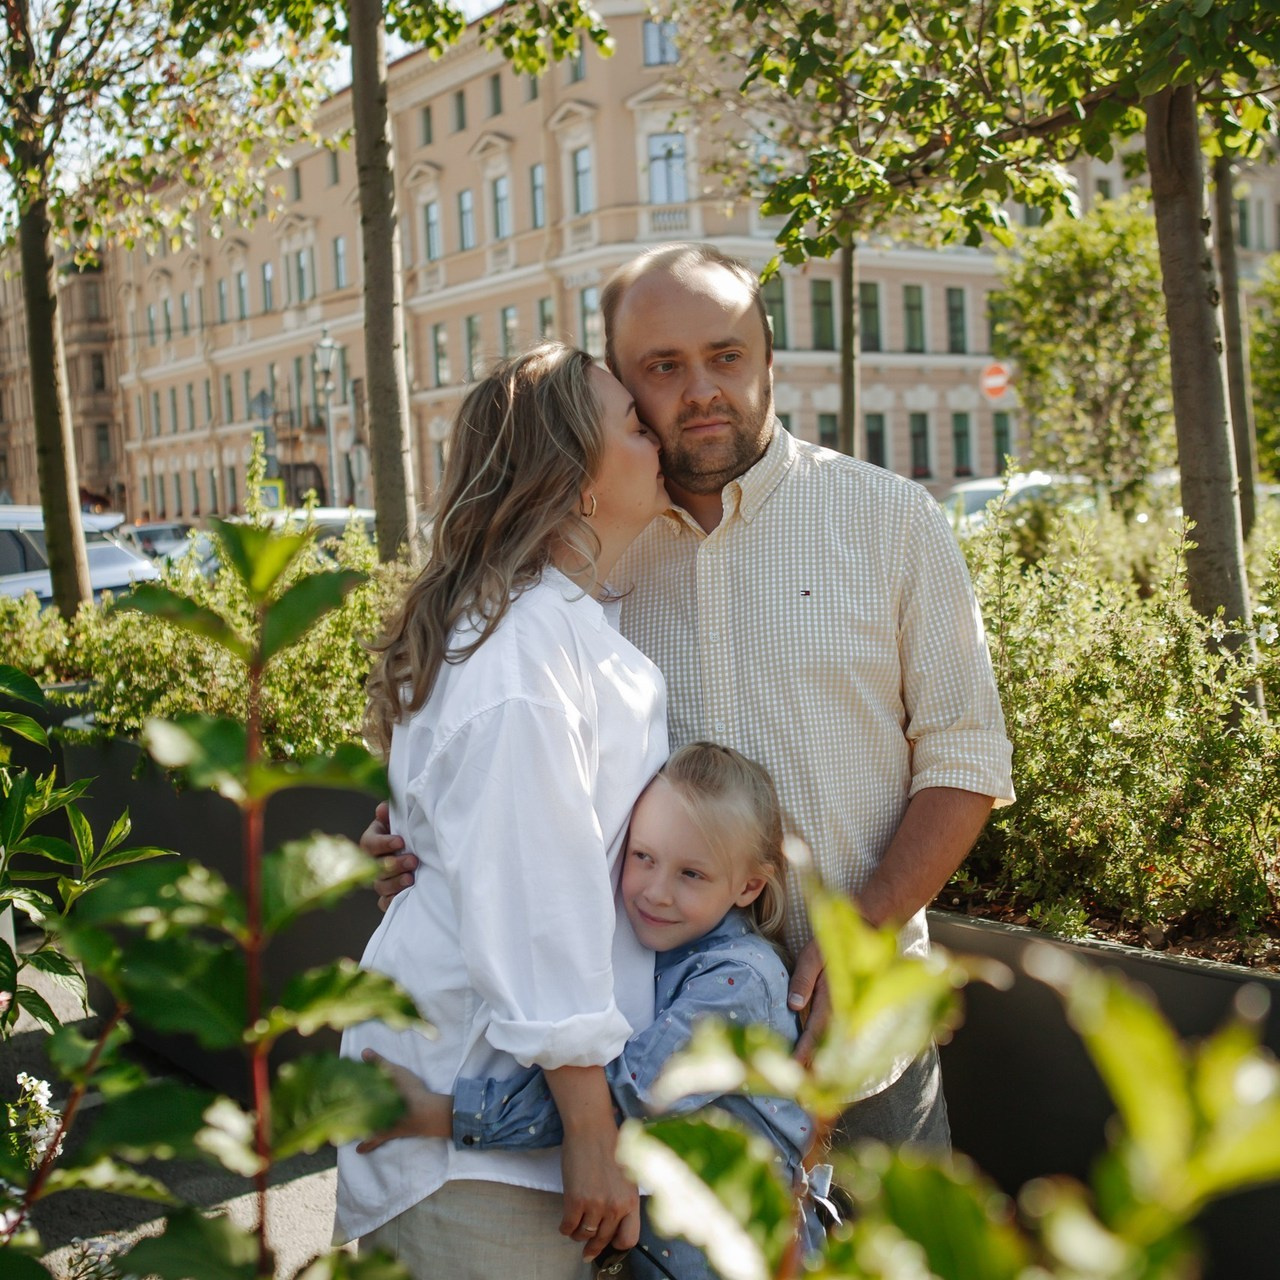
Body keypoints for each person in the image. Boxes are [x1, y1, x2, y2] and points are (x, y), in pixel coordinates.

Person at [370, 243, 1016, 1150]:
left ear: (768, 360)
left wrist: (860, 939)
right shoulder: (592, 552)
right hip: (659, 1067)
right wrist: (418, 833)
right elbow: (512, 747)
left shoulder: (892, 520)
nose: (703, 388)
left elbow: (966, 760)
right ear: (624, 390)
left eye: (726, 355)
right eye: (663, 368)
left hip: (865, 1049)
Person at [335, 342, 672, 1279]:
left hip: (502, 1112)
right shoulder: (525, 653)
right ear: (575, 483)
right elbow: (537, 898)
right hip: (477, 1135)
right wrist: (591, 1131)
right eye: (634, 427)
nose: (658, 441)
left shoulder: (548, 623)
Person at [357, 742, 829, 1280]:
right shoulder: (654, 948)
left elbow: (618, 1096)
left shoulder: (739, 983)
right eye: (642, 857)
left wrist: (438, 1113)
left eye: (691, 875)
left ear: (749, 886)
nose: (656, 892)